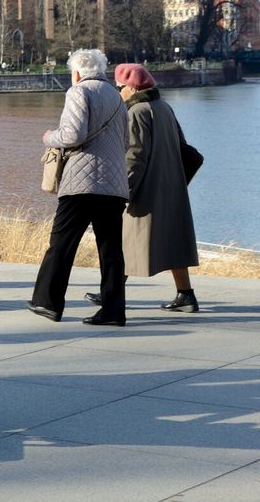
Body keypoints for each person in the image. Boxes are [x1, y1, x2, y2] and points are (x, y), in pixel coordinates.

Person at [28, 49, 129, 326]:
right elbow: (126, 142)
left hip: (81, 183)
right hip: (114, 185)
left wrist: (50, 137)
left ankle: (48, 302)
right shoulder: (117, 98)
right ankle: (113, 312)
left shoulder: (78, 91)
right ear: (102, 70)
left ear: (76, 73)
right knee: (111, 249)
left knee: (62, 243)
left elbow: (73, 134)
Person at [90, 64, 200, 312]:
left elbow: (134, 156)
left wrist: (124, 190)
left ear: (132, 88)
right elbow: (181, 145)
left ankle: (111, 293)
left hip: (146, 188)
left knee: (125, 240)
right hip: (170, 185)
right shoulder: (164, 106)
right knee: (173, 241)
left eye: (119, 87)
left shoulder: (137, 112)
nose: (118, 92)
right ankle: (185, 294)